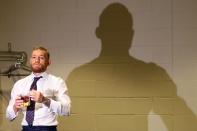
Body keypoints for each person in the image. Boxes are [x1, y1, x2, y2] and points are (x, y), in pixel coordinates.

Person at [6, 46, 71, 131]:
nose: (37, 60)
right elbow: (9, 116)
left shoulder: (57, 82)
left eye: (41, 58)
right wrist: (15, 107)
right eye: (34, 57)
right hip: (25, 128)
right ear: (30, 61)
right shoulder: (19, 84)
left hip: (47, 128)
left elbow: (66, 110)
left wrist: (44, 100)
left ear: (48, 62)